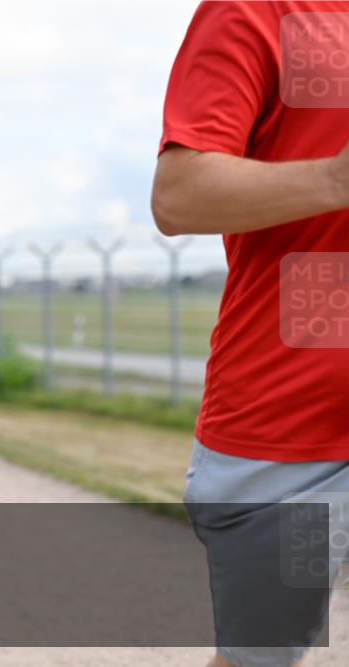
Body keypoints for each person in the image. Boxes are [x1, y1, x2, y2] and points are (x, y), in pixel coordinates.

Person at [152, 3, 349, 666]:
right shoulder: (256, 9)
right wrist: (335, 177)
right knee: (257, 656)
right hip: (293, 422)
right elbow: (179, 195)